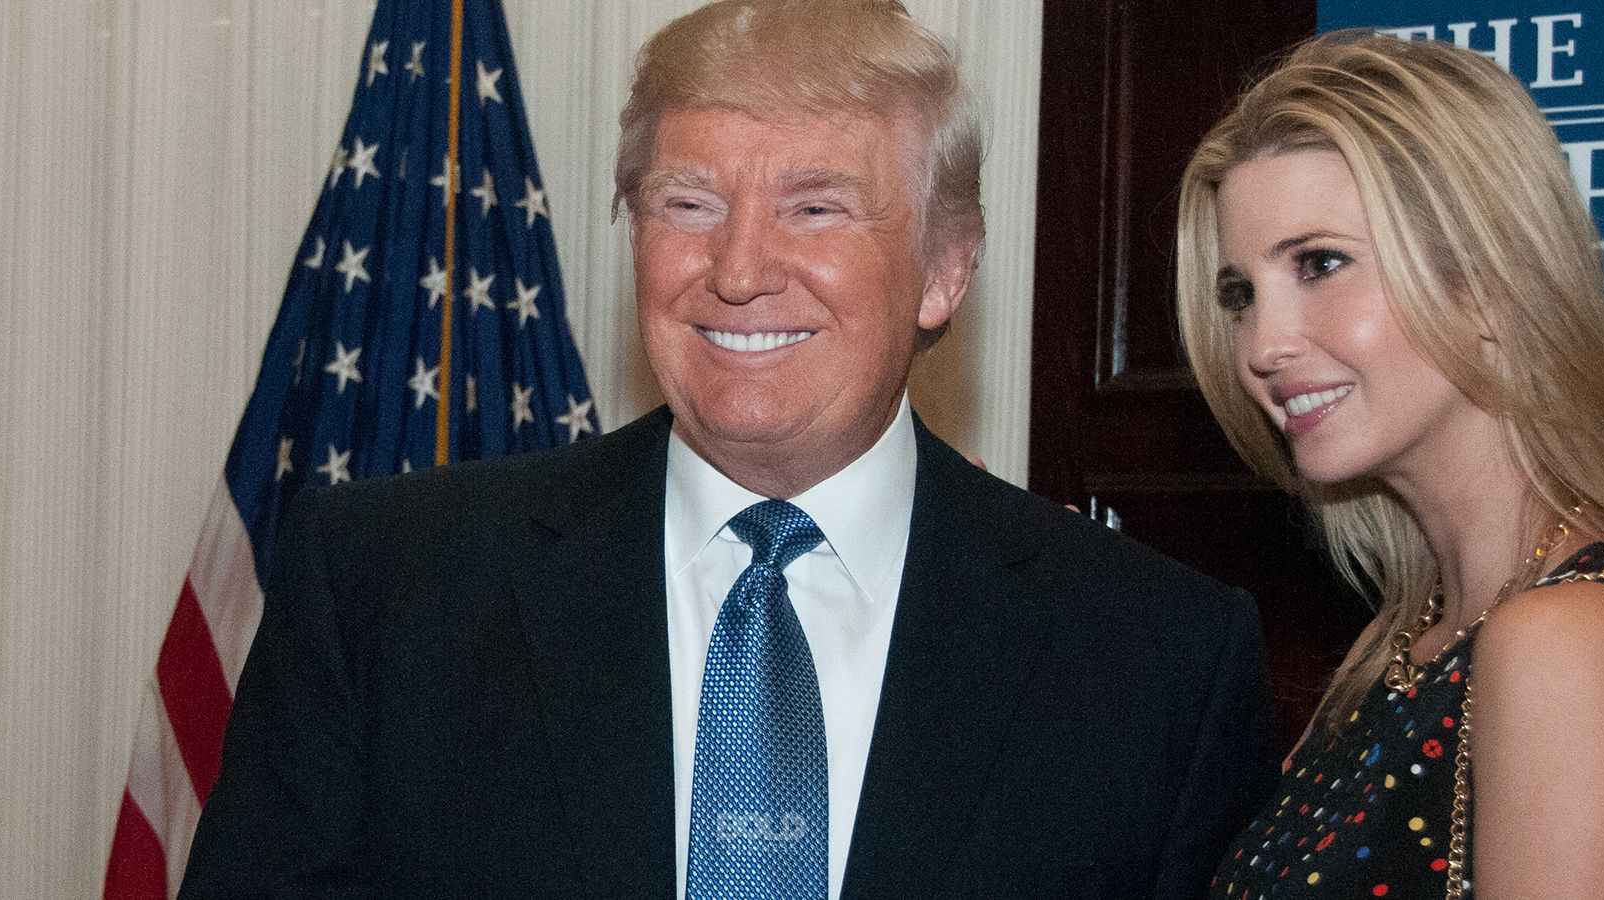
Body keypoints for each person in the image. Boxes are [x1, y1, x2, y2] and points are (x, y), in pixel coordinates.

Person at [180, 1, 1277, 898]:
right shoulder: (384, 586)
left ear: (945, 270)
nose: (739, 267)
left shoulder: (1158, 656)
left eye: (815, 208)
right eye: (688, 202)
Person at [1174, 32, 1604, 900]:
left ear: (1487, 281)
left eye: (1321, 264)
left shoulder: (1569, 641)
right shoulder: (1406, 647)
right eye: (1242, 294)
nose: (1263, 345)